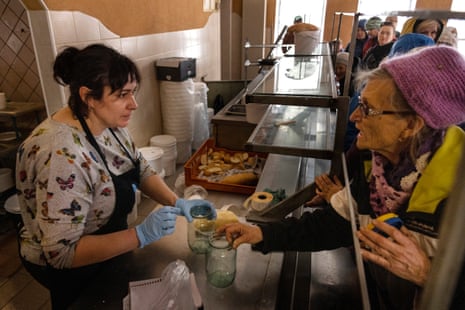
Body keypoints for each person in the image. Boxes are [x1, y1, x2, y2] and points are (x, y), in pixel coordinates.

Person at [218, 46, 465, 309]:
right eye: (360, 104)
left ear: (412, 125)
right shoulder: (376, 165)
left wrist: (428, 275)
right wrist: (261, 234)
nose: (355, 116)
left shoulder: (456, 192)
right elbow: (335, 224)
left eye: (368, 110)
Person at [15, 44, 216, 309]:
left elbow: (138, 167)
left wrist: (175, 201)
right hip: (71, 267)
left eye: (133, 93)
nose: (133, 104)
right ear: (88, 97)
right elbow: (61, 253)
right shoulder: (62, 156)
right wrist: (141, 234)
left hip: (109, 249)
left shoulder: (108, 125)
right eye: (123, 95)